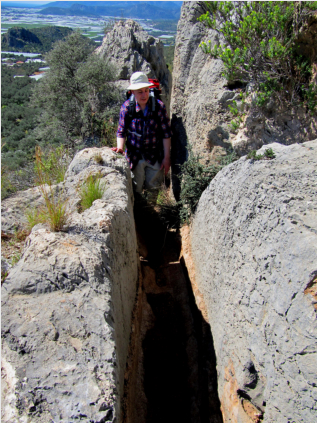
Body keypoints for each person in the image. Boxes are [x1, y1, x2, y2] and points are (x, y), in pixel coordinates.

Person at [111, 72, 172, 197]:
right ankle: (139, 211)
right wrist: (120, 148)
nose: (144, 95)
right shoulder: (127, 108)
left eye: (146, 90)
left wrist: (166, 158)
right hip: (135, 157)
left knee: (153, 190)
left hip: (155, 156)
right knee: (135, 190)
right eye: (140, 91)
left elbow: (166, 133)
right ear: (132, 92)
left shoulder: (158, 107)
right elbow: (121, 131)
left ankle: (151, 211)